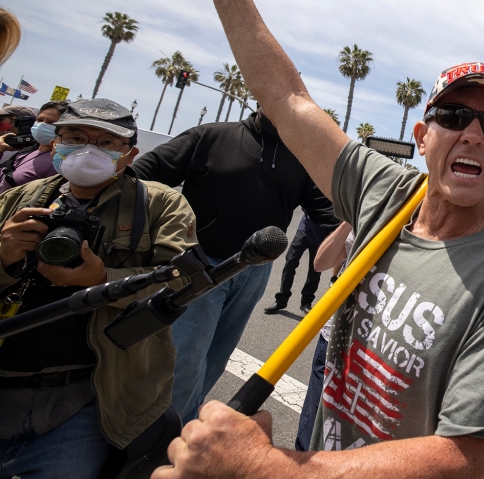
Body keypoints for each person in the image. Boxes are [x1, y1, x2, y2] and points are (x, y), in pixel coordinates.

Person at [151, 0, 484, 479]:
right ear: (422, 137)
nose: (473, 133)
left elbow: (464, 456)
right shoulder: (384, 192)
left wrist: (266, 468)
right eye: (454, 116)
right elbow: (287, 98)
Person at [0, 99, 197, 478]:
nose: (88, 149)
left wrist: (102, 280)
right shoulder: (19, 199)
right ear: (57, 143)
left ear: (130, 154)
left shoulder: (159, 205)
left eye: (107, 142)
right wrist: (5, 256)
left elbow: (181, 279)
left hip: (88, 398)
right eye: (76, 137)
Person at [133, 105, 338, 422]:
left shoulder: (300, 158)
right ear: (258, 100)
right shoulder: (211, 136)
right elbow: (144, 174)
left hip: (253, 275)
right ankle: (156, 444)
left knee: (215, 360)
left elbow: (327, 214)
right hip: (199, 268)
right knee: (185, 362)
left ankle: (180, 429)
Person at [294, 222, 352, 452]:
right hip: (334, 336)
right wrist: (351, 217)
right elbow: (321, 263)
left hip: (376, 349)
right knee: (314, 416)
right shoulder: (367, 214)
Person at [265, 212, 339, 315]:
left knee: (315, 270)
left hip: (323, 235)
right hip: (304, 228)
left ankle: (306, 302)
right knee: (290, 261)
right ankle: (281, 300)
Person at [0, 101, 68, 193]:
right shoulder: (27, 151)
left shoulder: (57, 163)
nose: (41, 125)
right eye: (39, 120)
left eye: (51, 123)